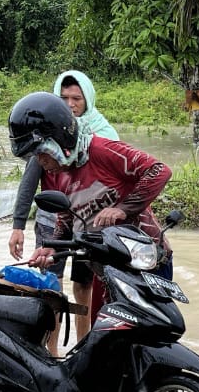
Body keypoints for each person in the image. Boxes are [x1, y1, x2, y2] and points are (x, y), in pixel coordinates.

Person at [8, 92, 171, 323]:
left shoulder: (102, 150)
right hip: (106, 270)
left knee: (149, 335)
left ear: (59, 141)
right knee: (103, 339)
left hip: (147, 263)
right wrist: (51, 249)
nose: (40, 161)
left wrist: (123, 209)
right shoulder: (56, 174)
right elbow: (66, 219)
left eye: (41, 152)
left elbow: (158, 170)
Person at [10, 71, 120, 345]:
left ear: (88, 99)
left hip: (89, 224)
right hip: (51, 221)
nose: (70, 104)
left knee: (85, 287)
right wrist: (18, 226)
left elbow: (117, 182)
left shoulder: (103, 134)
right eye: (64, 98)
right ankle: (52, 349)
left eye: (76, 98)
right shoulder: (49, 131)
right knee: (52, 288)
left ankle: (83, 345)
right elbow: (29, 182)